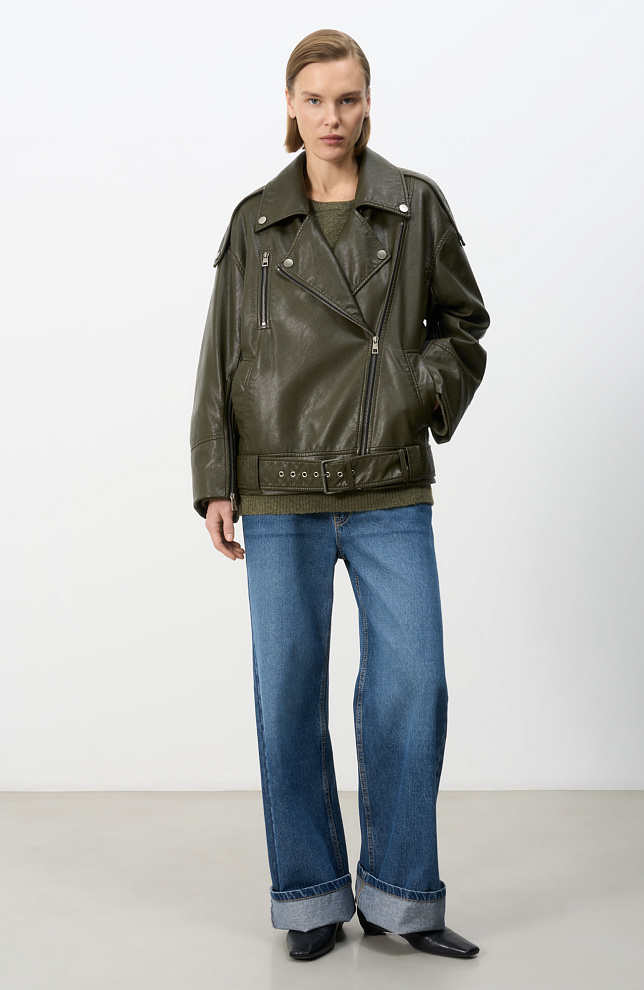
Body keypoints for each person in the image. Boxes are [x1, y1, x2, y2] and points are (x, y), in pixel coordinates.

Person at [190, 28, 490, 962]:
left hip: (389, 479)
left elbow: (465, 324)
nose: (333, 117)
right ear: (291, 106)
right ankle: (311, 897)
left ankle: (401, 895)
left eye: (348, 99)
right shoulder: (256, 221)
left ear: (368, 103)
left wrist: (412, 390)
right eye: (316, 100)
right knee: (286, 694)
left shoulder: (413, 205)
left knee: (414, 684)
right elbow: (220, 356)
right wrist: (214, 480)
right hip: (279, 483)